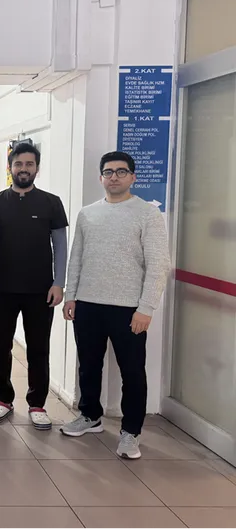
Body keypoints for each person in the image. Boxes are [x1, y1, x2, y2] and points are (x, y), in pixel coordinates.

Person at [61, 151, 170, 459]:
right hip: (88, 304)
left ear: (132, 177)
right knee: (88, 366)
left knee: (132, 371)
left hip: (129, 309)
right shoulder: (87, 214)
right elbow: (77, 257)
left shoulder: (148, 214)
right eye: (108, 172)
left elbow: (158, 264)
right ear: (101, 178)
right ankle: (90, 415)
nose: (114, 177)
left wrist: (146, 308)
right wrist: (71, 295)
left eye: (121, 171)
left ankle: (131, 432)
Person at [0, 142, 69, 430]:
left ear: (37, 168)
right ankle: (3, 399)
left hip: (41, 290)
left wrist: (59, 283)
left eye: (29, 164)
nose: (24, 169)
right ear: (10, 168)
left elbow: (60, 246)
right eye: (18, 164)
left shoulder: (51, 203)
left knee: (38, 348)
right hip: (1, 288)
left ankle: (37, 404)